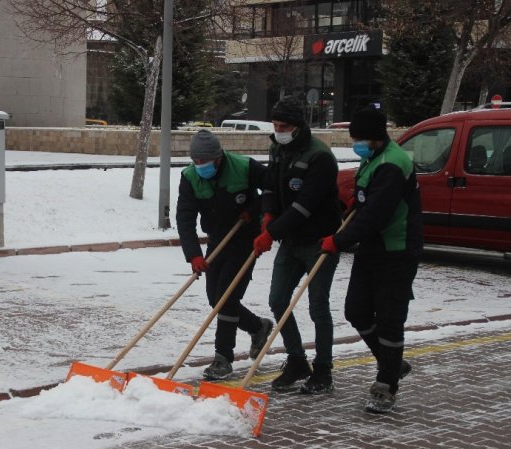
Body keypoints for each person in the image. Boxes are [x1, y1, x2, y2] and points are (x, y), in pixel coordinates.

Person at [320, 106, 423, 413]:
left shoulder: (393, 163)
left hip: (397, 250)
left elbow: (376, 215)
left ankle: (386, 384)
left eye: (361, 139)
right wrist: (357, 199)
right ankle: (392, 363)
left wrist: (337, 241)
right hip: (372, 249)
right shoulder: (375, 157)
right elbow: (368, 203)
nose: (357, 143)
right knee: (356, 310)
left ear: (377, 137)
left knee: (390, 319)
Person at [253, 95, 342, 394]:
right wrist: (267, 214)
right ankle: (296, 359)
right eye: (275, 125)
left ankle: (324, 369)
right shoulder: (277, 148)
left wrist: (271, 233)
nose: (278, 130)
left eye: (284, 125)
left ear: (298, 126)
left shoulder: (320, 157)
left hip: (319, 242)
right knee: (278, 299)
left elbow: (305, 206)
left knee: (318, 306)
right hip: (290, 241)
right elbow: (269, 186)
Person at [176, 129, 273, 381]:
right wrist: (193, 255)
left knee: (226, 298)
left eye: (204, 161)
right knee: (215, 299)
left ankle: (223, 358)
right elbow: (185, 218)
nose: (200, 166)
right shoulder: (189, 177)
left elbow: (274, 190)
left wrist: (254, 209)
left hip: (245, 239)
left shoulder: (244, 167)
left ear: (218, 158)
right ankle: (257, 326)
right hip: (218, 241)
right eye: (196, 161)